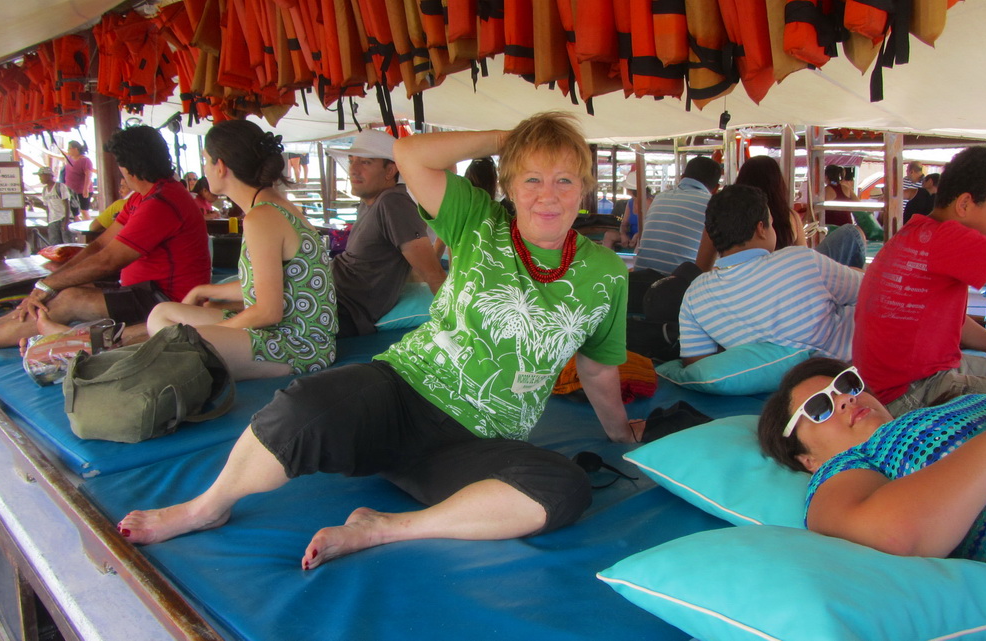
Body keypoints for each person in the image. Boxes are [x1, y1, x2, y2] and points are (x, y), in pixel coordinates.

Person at [116, 111, 635, 570]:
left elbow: (597, 366)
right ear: (510, 184)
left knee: (563, 489)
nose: (549, 195)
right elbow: (408, 152)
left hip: (479, 444)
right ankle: (206, 507)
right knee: (303, 405)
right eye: (533, 178)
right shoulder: (479, 220)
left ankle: (383, 528)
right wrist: (517, 136)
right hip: (403, 391)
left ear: (584, 190)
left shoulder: (606, 273)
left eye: (565, 180)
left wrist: (619, 436)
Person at [757, 357, 986, 634]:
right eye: (818, 408)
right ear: (807, 459)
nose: (845, 400)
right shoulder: (845, 467)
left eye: (847, 384)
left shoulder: (953, 404)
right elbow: (894, 533)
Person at [0, 126, 210, 361]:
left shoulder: (162, 202)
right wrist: (49, 283)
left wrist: (50, 285)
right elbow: (98, 246)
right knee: (59, 292)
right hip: (142, 292)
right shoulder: (142, 197)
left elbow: (108, 261)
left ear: (129, 168)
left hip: (164, 300)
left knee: (70, 298)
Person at [854, 146, 986, 418]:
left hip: (901, 383)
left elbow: (953, 322)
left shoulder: (918, 234)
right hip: (913, 394)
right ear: (964, 204)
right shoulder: (950, 239)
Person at [146, 120, 336, 380]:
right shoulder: (273, 205)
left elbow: (268, 311)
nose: (204, 168)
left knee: (174, 343)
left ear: (221, 166)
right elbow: (269, 283)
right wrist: (205, 290)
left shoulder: (261, 217)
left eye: (206, 160)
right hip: (291, 335)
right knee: (162, 314)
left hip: (298, 345)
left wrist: (223, 330)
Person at [678, 185, 862, 366]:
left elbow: (698, 367)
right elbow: (871, 292)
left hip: (787, 384)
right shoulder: (799, 260)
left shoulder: (695, 295)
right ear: (761, 228)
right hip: (850, 364)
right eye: (771, 224)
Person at [326, 129, 446, 337]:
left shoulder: (393, 203)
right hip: (329, 294)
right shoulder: (369, 203)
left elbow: (432, 272)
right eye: (352, 160)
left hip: (343, 309)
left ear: (390, 171)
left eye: (366, 162)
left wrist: (458, 324)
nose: (353, 169)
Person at [737, 156, 866, 269]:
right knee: (852, 233)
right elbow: (804, 257)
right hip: (790, 272)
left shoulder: (734, 217)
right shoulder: (787, 216)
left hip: (757, 275)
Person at [632, 156, 721, 274]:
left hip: (640, 277)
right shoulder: (713, 205)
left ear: (682, 178)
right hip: (677, 285)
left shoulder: (660, 197)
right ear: (716, 188)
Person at [34, 166, 74, 245]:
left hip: (63, 218)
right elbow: (47, 207)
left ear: (48, 175)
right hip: (53, 220)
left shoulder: (60, 186)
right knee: (55, 245)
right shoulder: (45, 190)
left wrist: (66, 221)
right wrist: (48, 221)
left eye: (41, 176)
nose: (40, 178)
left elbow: (66, 204)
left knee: (68, 244)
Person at [64, 140, 94, 219]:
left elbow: (89, 175)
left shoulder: (85, 160)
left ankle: (91, 230)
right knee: (74, 213)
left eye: (69, 148)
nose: (68, 150)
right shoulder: (69, 158)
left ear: (76, 149)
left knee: (84, 211)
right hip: (71, 190)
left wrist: (86, 188)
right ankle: (78, 230)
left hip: (82, 190)